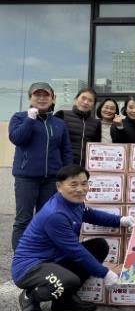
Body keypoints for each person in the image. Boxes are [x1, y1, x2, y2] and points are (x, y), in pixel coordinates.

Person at [11, 165, 135, 311]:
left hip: (53, 260)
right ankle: (30, 297)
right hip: (30, 267)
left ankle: (64, 300)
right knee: (69, 280)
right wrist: (105, 273)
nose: (80, 189)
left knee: (99, 246)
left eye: (84, 183)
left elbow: (91, 215)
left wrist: (120, 220)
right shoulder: (55, 215)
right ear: (59, 186)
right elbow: (75, 251)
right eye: (74, 184)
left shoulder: (75, 203)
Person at [9, 82, 73, 250]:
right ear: (30, 98)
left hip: (51, 179)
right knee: (23, 220)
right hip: (26, 178)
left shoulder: (59, 123)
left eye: (46, 95)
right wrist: (30, 119)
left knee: (46, 219)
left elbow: (66, 150)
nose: (42, 98)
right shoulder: (19, 117)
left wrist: (67, 176)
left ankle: (41, 256)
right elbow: (18, 138)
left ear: (53, 99)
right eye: (37, 95)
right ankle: (21, 259)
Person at [56, 88, 101, 166]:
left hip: (85, 167)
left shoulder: (96, 123)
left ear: (93, 105)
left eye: (90, 100)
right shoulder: (62, 115)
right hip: (64, 166)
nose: (86, 102)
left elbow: (96, 146)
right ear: (76, 99)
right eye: (83, 98)